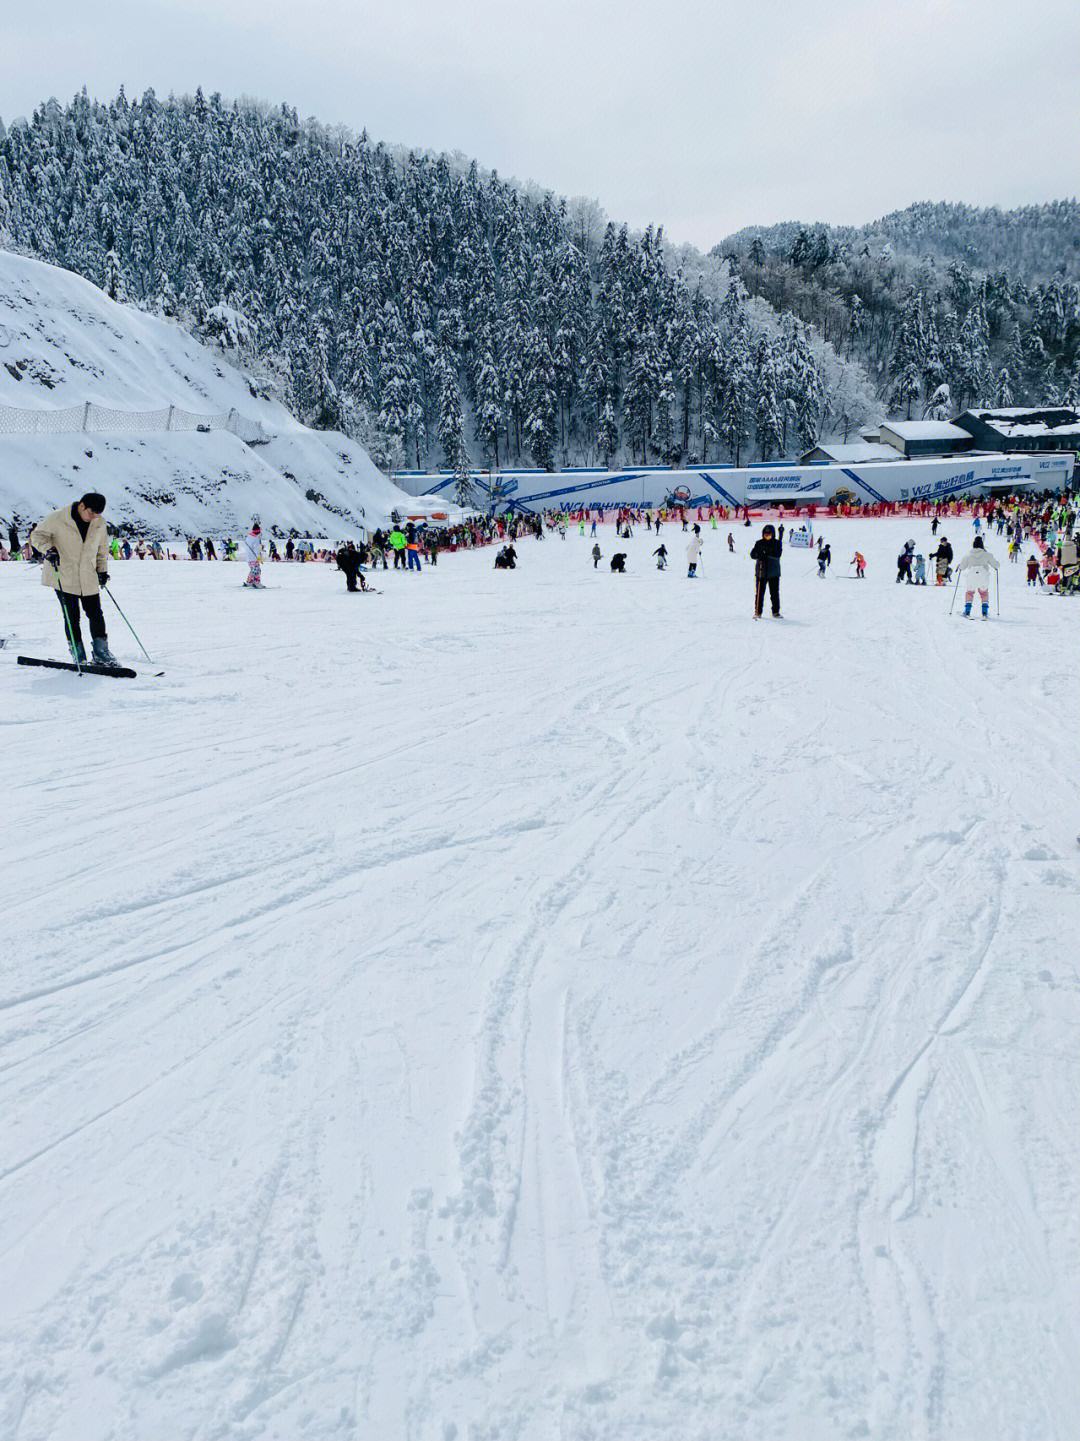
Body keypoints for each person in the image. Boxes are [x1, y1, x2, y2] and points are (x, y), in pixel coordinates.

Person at [29, 491, 119, 665]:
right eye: (91, 513)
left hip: (88, 576)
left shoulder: (99, 522)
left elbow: (102, 549)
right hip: (63, 574)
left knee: (96, 614)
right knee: (72, 617)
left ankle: (102, 653)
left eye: (97, 514)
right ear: (82, 506)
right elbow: (37, 536)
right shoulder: (57, 518)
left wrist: (102, 570)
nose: (93, 518)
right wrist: (49, 550)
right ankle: (78, 653)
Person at [957, 535, 999, 619]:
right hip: (983, 577)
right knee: (984, 593)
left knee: (970, 593)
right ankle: (984, 612)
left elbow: (962, 567)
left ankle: (967, 611)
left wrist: (959, 566)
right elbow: (996, 565)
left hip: (971, 577)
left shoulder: (968, 555)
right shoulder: (987, 554)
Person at [750, 523, 783, 619]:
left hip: (773, 572)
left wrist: (766, 554)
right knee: (760, 593)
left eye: (769, 534)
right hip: (761, 571)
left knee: (774, 593)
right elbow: (752, 554)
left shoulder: (777, 543)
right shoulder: (759, 543)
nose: (767, 536)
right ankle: (758, 611)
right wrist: (758, 554)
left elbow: (777, 554)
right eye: (765, 534)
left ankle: (776, 611)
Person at [241, 522, 265, 587]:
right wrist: (259, 559)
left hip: (248, 558)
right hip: (254, 558)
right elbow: (256, 550)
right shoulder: (256, 539)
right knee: (257, 570)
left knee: (253, 569)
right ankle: (256, 583)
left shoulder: (248, 537)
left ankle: (249, 582)